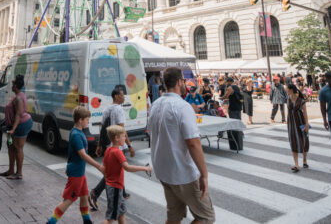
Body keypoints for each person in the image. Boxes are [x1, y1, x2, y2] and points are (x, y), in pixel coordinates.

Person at [149, 67, 215, 224]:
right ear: (180, 82)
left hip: (163, 170)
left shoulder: (155, 105)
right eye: (184, 81)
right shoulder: (182, 107)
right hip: (183, 173)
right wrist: (204, 174)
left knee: (174, 215)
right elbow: (193, 143)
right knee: (206, 217)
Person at [45, 106, 104, 224]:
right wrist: (99, 166)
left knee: (84, 196)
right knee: (68, 200)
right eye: (87, 119)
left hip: (79, 172)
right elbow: (82, 154)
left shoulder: (77, 131)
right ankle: (51, 222)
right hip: (76, 172)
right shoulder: (76, 134)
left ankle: (87, 220)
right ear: (80, 120)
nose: (88, 121)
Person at [89, 86, 134, 211]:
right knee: (112, 174)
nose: (123, 97)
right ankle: (95, 193)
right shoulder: (118, 110)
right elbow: (122, 130)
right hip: (117, 146)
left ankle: (122, 193)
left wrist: (99, 145)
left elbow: (102, 129)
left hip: (108, 146)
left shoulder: (106, 109)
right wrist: (129, 146)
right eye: (121, 95)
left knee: (116, 170)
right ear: (115, 96)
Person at [101, 125, 152, 223]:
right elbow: (127, 167)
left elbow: (104, 168)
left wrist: (108, 179)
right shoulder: (118, 152)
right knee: (110, 217)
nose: (125, 138)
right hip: (115, 188)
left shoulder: (108, 150)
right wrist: (144, 168)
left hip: (112, 187)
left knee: (121, 212)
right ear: (116, 138)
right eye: (123, 136)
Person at [1, 74, 32, 180]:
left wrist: (13, 129)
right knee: (10, 146)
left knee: (18, 148)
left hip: (21, 124)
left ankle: (19, 174)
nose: (11, 86)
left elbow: (19, 115)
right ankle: (11, 170)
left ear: (16, 86)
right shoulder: (18, 95)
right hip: (15, 124)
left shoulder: (19, 98)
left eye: (13, 84)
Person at [286, 83, 310, 172]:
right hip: (291, 124)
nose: (285, 90)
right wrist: (287, 123)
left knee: (304, 141)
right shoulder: (288, 99)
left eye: (286, 89)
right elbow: (288, 111)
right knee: (293, 142)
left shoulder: (301, 100)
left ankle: (304, 160)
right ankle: (296, 165)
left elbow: (305, 113)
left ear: (291, 89)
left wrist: (307, 124)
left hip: (301, 123)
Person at [222, 77, 243, 151]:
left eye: (227, 82)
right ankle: (240, 134)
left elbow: (226, 96)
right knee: (238, 120)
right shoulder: (237, 87)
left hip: (233, 107)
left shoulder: (230, 87)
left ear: (229, 82)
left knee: (233, 122)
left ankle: (235, 135)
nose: (226, 83)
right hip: (238, 106)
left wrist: (221, 98)